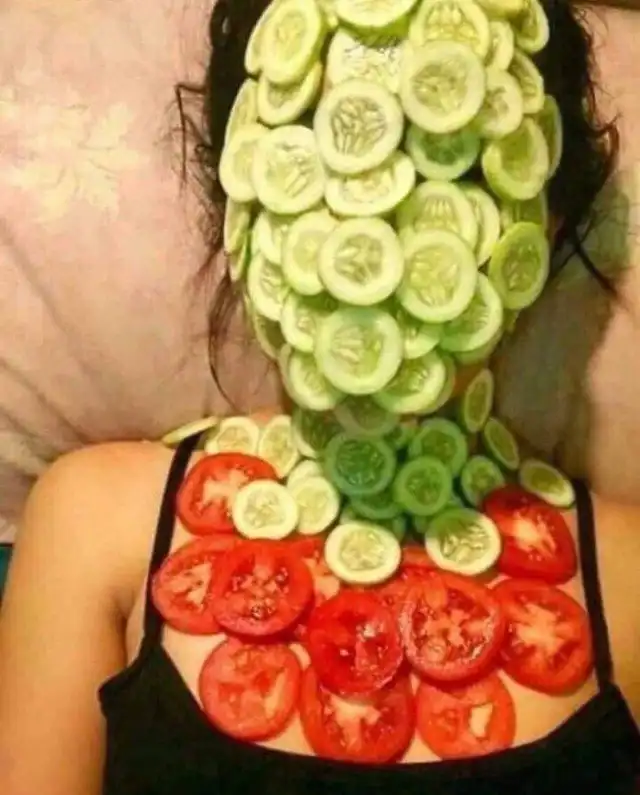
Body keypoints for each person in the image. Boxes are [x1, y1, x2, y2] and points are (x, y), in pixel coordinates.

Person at [0, 0, 638, 793]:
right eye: (333, 152)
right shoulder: (96, 521)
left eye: (452, 165)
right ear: (245, 197)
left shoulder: (627, 574)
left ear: (543, 223)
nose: (383, 222)